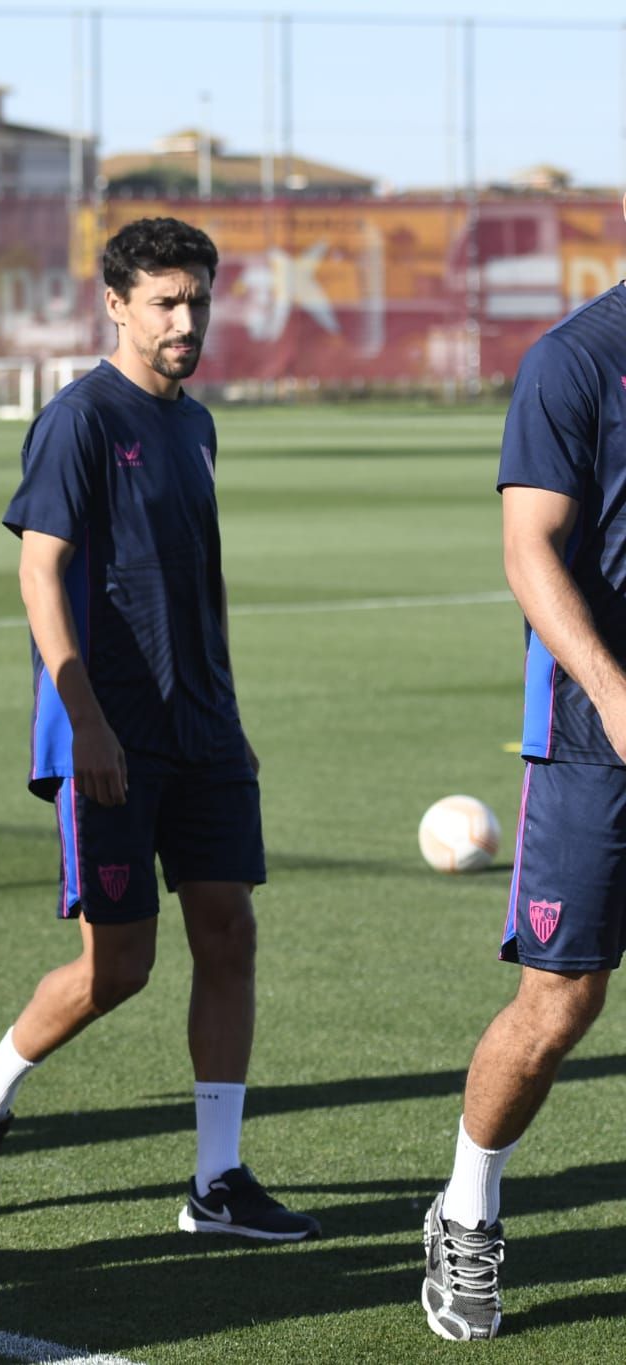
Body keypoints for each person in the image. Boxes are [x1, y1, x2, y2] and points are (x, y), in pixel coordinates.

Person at [0, 217, 318, 1245]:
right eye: (163, 302)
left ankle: (215, 1180)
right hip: (107, 737)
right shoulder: (79, 421)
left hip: (201, 731)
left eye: (196, 300)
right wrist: (85, 722)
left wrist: (226, 717)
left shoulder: (193, 425)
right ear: (114, 304)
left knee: (227, 934)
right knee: (119, 969)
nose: (184, 320)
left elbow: (189, 589)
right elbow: (37, 572)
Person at [421, 233, 626, 1341]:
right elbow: (527, 548)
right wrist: (613, 690)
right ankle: (466, 1207)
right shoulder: (574, 359)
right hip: (593, 736)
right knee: (560, 1002)